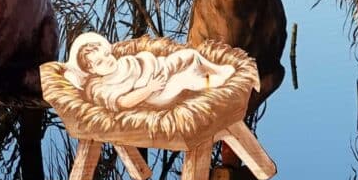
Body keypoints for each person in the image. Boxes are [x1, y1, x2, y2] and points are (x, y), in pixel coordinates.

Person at [63, 31, 238, 112]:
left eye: (107, 54)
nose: (109, 60)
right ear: (91, 69)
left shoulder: (121, 61)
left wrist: (161, 67)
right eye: (101, 62)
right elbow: (123, 102)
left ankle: (219, 69)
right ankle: (212, 83)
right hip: (153, 93)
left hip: (159, 71)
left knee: (189, 54)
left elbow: (142, 64)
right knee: (182, 80)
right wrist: (149, 89)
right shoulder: (99, 86)